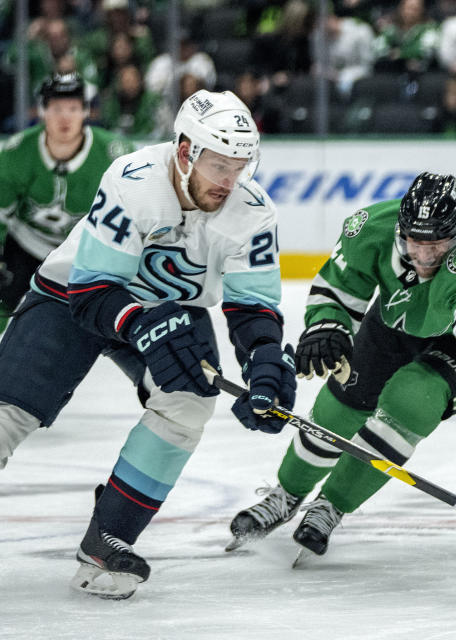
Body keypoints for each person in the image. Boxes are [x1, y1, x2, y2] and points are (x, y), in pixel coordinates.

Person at [0, 89, 295, 599]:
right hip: (74, 299)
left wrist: (265, 361)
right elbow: (92, 293)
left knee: (188, 403)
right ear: (185, 152)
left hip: (174, 311)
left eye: (241, 166)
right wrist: (144, 324)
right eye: (220, 165)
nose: (230, 181)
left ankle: (106, 539)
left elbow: (253, 307)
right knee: (8, 412)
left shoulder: (252, 210)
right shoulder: (134, 179)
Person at [227, 171, 456, 562]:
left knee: (412, 401)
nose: (426, 256)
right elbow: (341, 284)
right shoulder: (370, 228)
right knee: (343, 403)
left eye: (439, 244)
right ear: (401, 229)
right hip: (405, 314)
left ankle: (332, 505)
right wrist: (327, 324)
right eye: (416, 242)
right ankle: (288, 493)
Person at [0, 72, 134, 335]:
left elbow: (136, 212)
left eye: (73, 108)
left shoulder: (116, 154)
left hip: (85, 253)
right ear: (42, 111)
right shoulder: (16, 154)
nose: (65, 117)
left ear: (86, 112)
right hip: (27, 245)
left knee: (118, 318)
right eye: (57, 108)